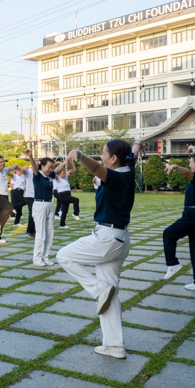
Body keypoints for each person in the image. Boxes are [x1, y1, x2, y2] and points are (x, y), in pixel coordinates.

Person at [56, 139, 144, 359]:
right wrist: (136, 143)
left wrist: (78, 153)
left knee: (63, 256)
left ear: (113, 159)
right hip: (120, 238)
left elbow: (95, 168)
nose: (102, 157)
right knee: (110, 296)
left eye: (104, 153)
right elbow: (131, 155)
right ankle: (114, 346)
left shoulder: (116, 177)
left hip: (107, 238)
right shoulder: (128, 167)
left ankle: (98, 290)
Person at [163, 146, 195, 292]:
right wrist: (194, 151)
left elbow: (190, 174)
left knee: (168, 234)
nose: (189, 164)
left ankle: (172, 264)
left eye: (191, 161)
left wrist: (176, 166)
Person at [26, 149, 65, 266]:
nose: (50, 169)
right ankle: (37, 258)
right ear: (42, 166)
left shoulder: (49, 176)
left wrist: (66, 161)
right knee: (41, 234)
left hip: (49, 204)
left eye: (51, 167)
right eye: (48, 167)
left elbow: (57, 170)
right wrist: (31, 156)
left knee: (49, 233)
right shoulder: (38, 176)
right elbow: (34, 167)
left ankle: (45, 257)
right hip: (39, 205)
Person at [22, 163, 37, 238]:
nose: (36, 166)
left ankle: (34, 230)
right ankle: (29, 231)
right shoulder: (29, 172)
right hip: (30, 196)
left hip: (38, 196)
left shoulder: (41, 172)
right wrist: (24, 168)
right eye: (35, 164)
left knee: (37, 214)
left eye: (38, 165)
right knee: (32, 214)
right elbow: (23, 171)